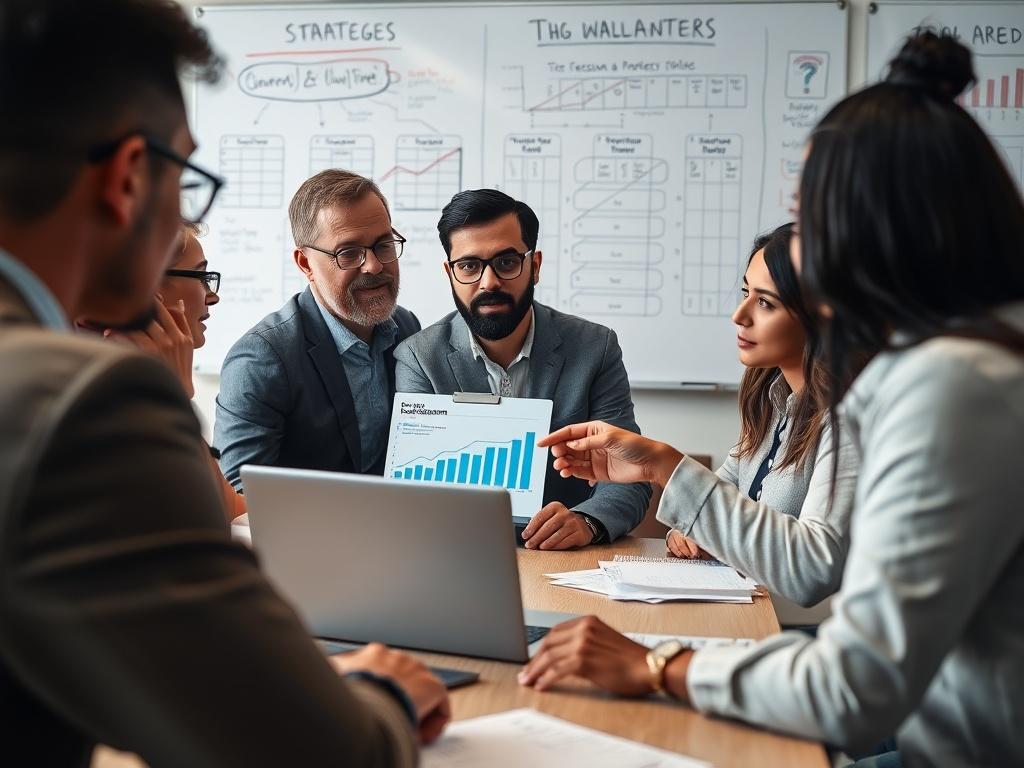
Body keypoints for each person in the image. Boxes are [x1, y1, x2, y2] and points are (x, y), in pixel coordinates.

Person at [522, 32, 1024, 766]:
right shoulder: (977, 360)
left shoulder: (953, 387)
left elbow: (856, 681)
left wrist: (657, 666)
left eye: (810, 216)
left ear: (871, 231)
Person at [0, 2, 447, 765]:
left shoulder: (411, 338)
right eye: (188, 177)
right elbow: (312, 749)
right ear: (130, 181)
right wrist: (388, 692)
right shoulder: (81, 402)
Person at [394, 189, 651, 548]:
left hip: (563, 563)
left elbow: (629, 477)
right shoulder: (418, 358)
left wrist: (587, 520)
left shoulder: (595, 348)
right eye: (469, 266)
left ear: (535, 265)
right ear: (450, 273)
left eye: (506, 262)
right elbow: (414, 496)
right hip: (459, 555)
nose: (489, 283)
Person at [658, 223, 858, 619]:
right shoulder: (773, 399)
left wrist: (666, 469)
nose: (739, 315)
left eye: (765, 303)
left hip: (803, 637)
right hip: (751, 616)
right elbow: (723, 492)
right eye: (746, 292)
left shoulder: (848, 418)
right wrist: (686, 531)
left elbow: (812, 572)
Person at [214, 170, 420, 490]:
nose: (375, 266)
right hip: (303, 537)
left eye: (383, 245)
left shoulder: (406, 328)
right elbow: (243, 497)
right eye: (349, 253)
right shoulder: (261, 358)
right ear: (306, 264)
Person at [102, 222, 246, 520]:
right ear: (147, 288)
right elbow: (207, 516)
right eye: (202, 276)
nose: (212, 296)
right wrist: (175, 396)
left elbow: (229, 505)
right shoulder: (108, 392)